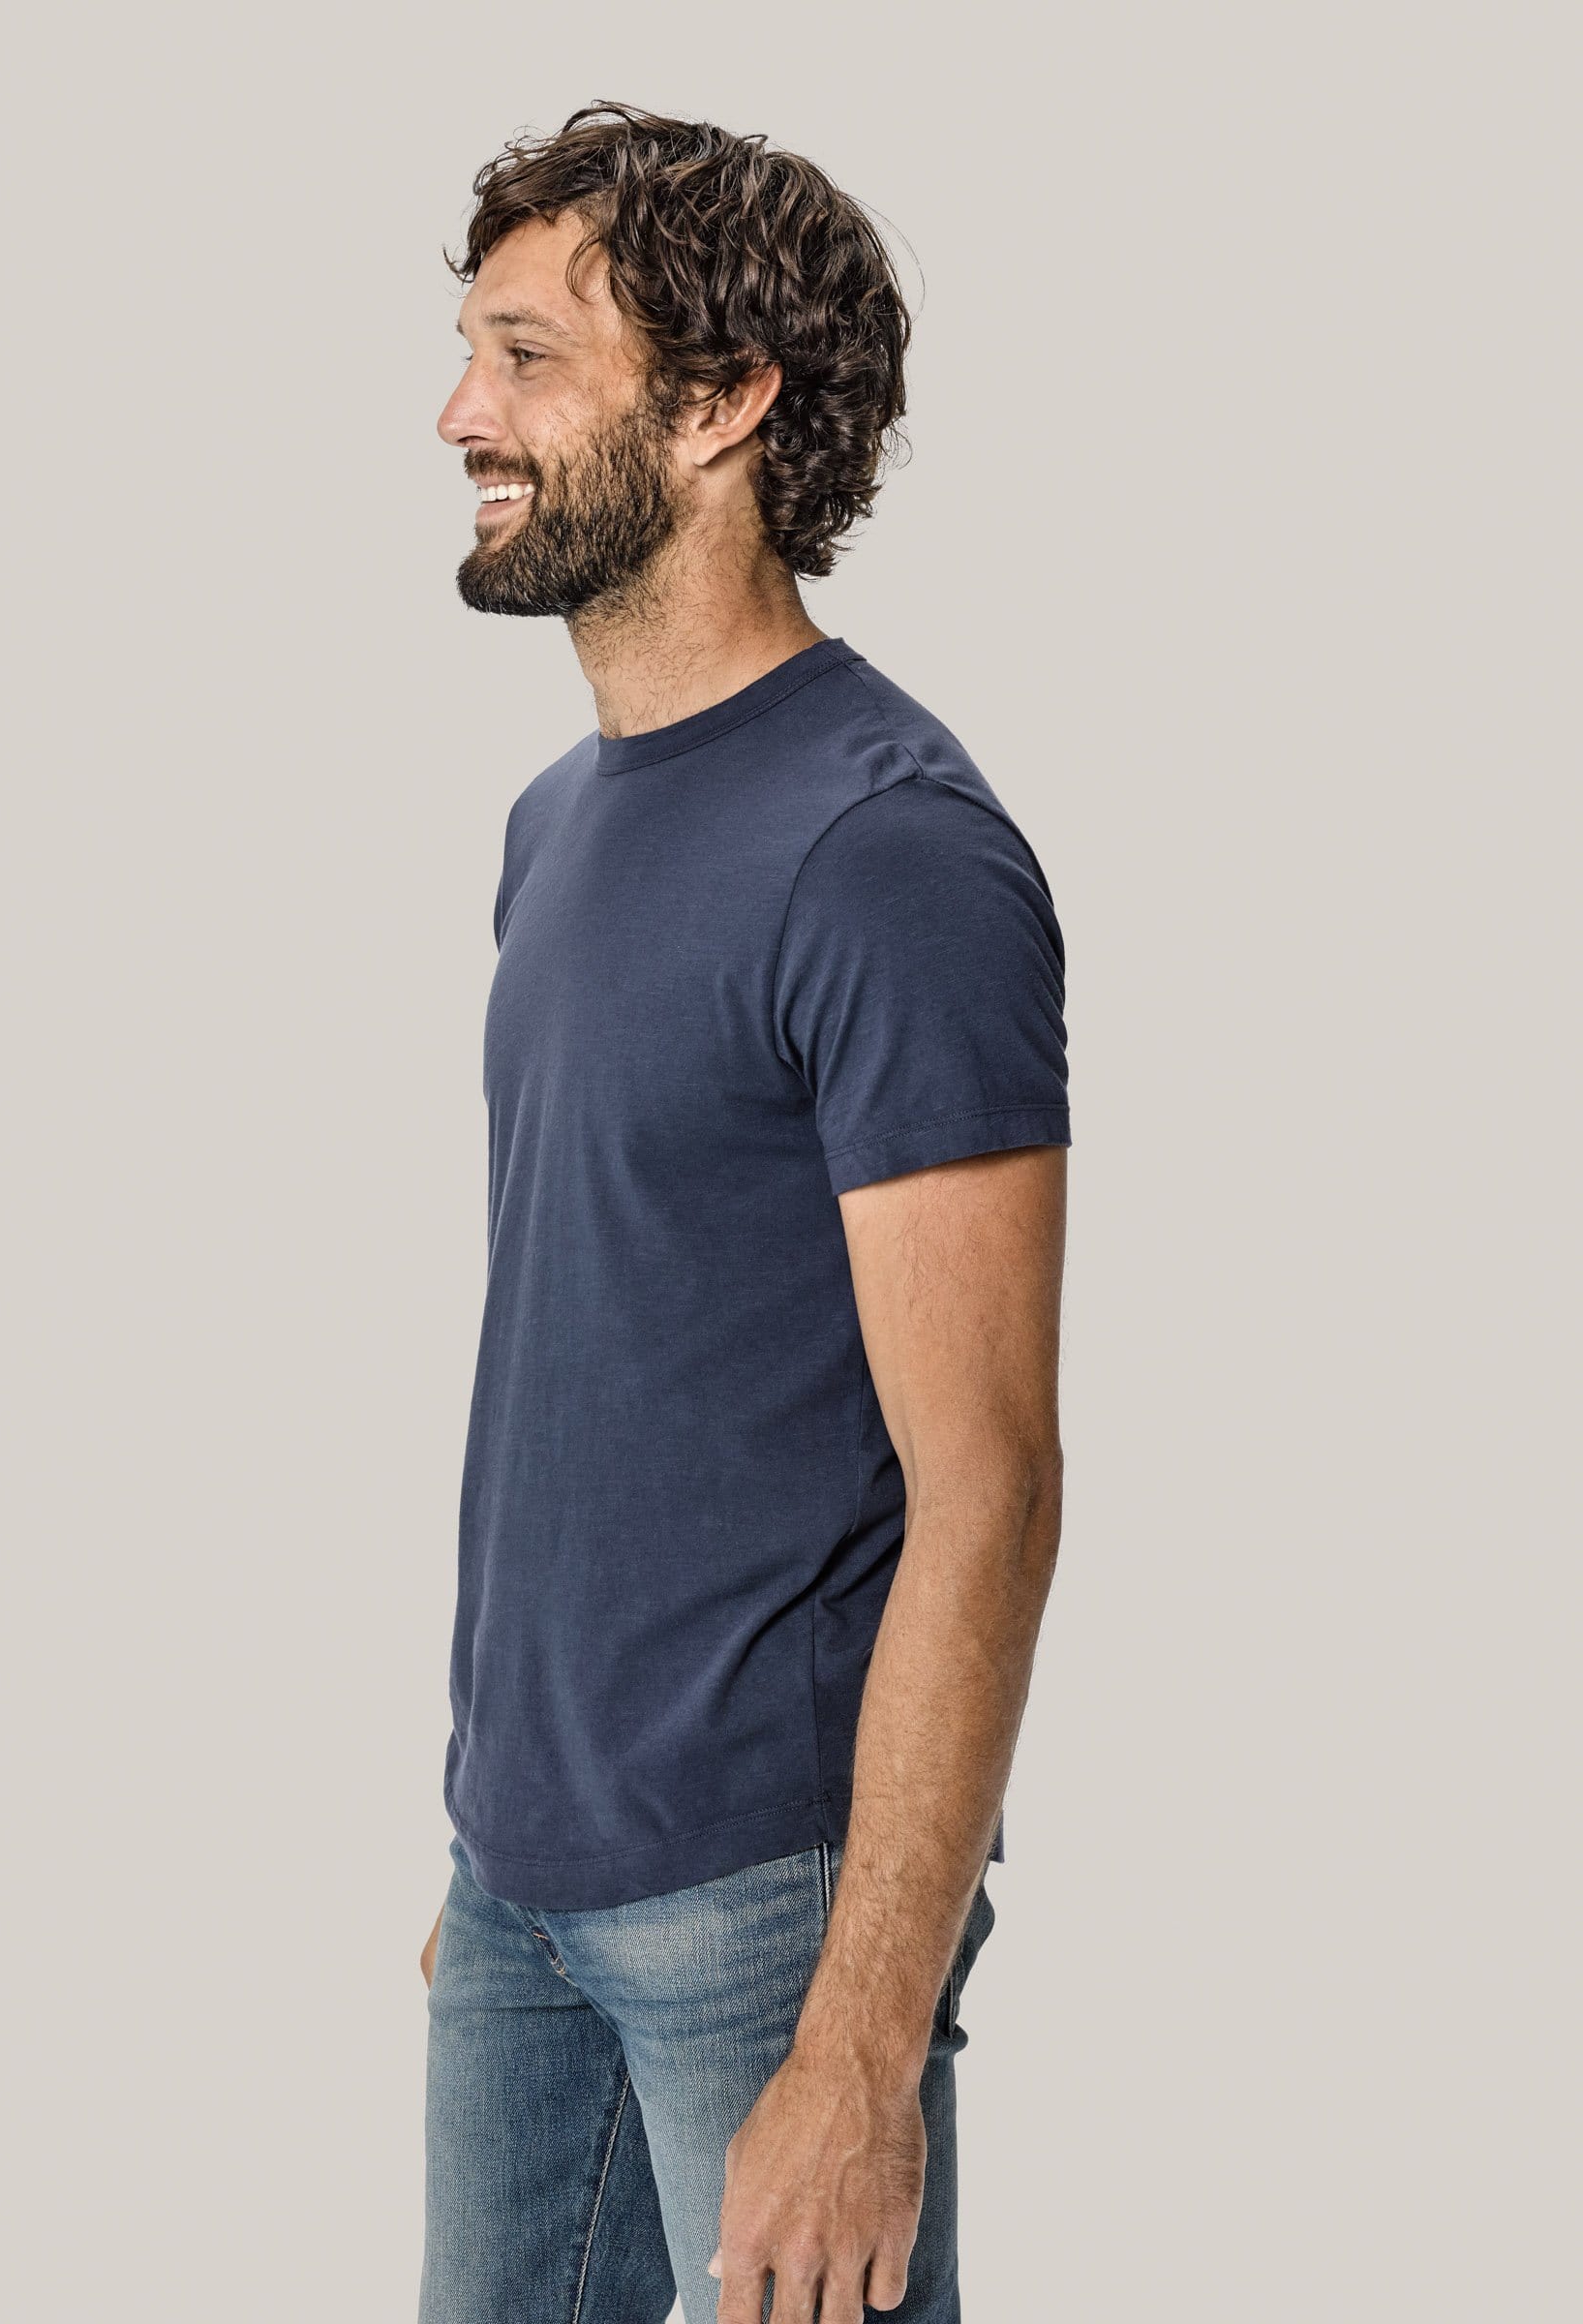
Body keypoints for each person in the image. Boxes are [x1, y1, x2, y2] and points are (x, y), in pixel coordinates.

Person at [417, 102, 1070, 2324]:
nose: (461, 416)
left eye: (528, 359)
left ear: (720, 405)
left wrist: (863, 2049)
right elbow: (611, 1352)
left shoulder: (889, 856)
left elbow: (991, 1489)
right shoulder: (558, 822)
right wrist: (502, 1838)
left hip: (765, 1915)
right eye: (470, 354)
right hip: (521, 1884)